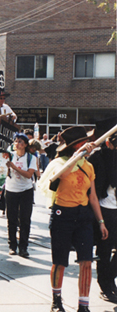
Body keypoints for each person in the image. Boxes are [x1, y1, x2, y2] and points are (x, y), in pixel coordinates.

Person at [37, 126, 108, 312]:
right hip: (63, 216)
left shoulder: (88, 166)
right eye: (83, 143)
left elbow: (92, 197)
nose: (87, 145)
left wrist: (100, 222)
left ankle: (83, 305)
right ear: (75, 146)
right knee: (59, 261)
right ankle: (56, 300)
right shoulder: (58, 164)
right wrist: (78, 156)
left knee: (86, 261)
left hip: (83, 216)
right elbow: (59, 178)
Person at [88, 132, 117, 303]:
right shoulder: (99, 157)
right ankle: (105, 285)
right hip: (105, 209)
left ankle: (108, 277)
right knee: (104, 250)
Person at [5, 133, 37, 257]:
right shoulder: (9, 156)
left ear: (25, 145)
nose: (17, 144)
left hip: (25, 191)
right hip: (11, 190)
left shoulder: (31, 158)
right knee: (11, 219)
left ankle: (23, 247)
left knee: (25, 220)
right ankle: (12, 245)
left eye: (20, 142)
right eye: (16, 141)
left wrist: (14, 167)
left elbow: (29, 175)